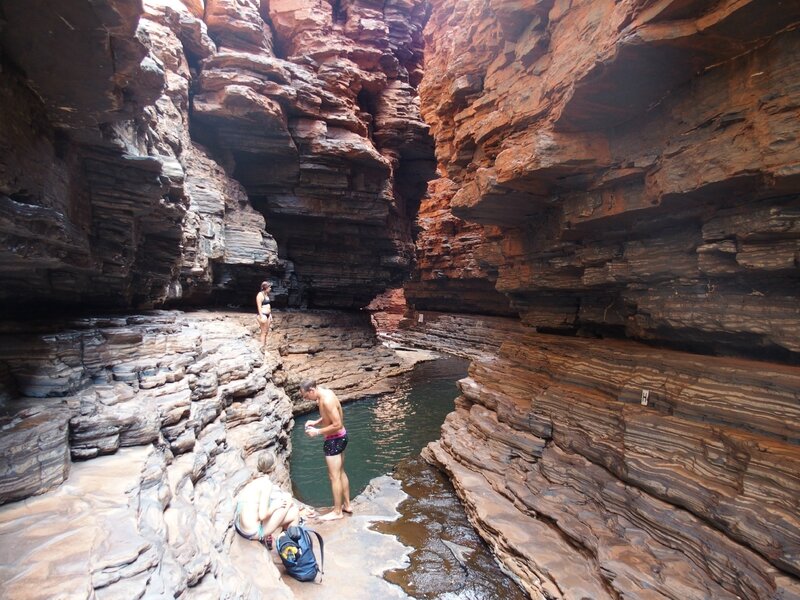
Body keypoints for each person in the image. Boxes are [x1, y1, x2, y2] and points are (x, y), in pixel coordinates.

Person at [301, 379, 353, 521]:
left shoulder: (327, 400)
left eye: (306, 396)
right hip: (341, 437)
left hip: (334, 440)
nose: (307, 399)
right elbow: (329, 415)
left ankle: (337, 512)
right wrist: (316, 422)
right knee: (340, 472)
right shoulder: (325, 393)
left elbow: (337, 424)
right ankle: (347, 505)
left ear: (312, 390)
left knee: (334, 476)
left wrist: (317, 432)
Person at [234, 451, 300, 548]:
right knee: (293, 511)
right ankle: (288, 546)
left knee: (285, 499)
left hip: (241, 527)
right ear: (273, 467)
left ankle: (284, 540)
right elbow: (262, 515)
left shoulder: (253, 481)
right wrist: (275, 506)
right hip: (252, 532)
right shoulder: (266, 484)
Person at [256, 281, 273, 348]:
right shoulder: (260, 295)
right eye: (269, 287)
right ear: (266, 287)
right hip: (263, 315)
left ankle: (264, 346)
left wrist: (270, 314)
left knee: (266, 332)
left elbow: (268, 305)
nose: (270, 288)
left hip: (268, 315)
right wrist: (261, 316)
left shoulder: (266, 294)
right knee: (263, 332)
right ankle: (262, 346)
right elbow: (259, 306)